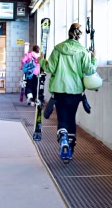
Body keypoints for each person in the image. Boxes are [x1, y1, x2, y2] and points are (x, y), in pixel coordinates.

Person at [40, 23, 97, 163]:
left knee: (62, 118)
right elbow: (89, 70)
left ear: (69, 33)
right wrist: (94, 58)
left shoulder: (58, 49)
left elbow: (50, 68)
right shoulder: (83, 51)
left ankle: (63, 137)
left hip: (59, 92)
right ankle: (69, 150)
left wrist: (41, 60)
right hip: (76, 92)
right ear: (79, 35)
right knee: (71, 119)